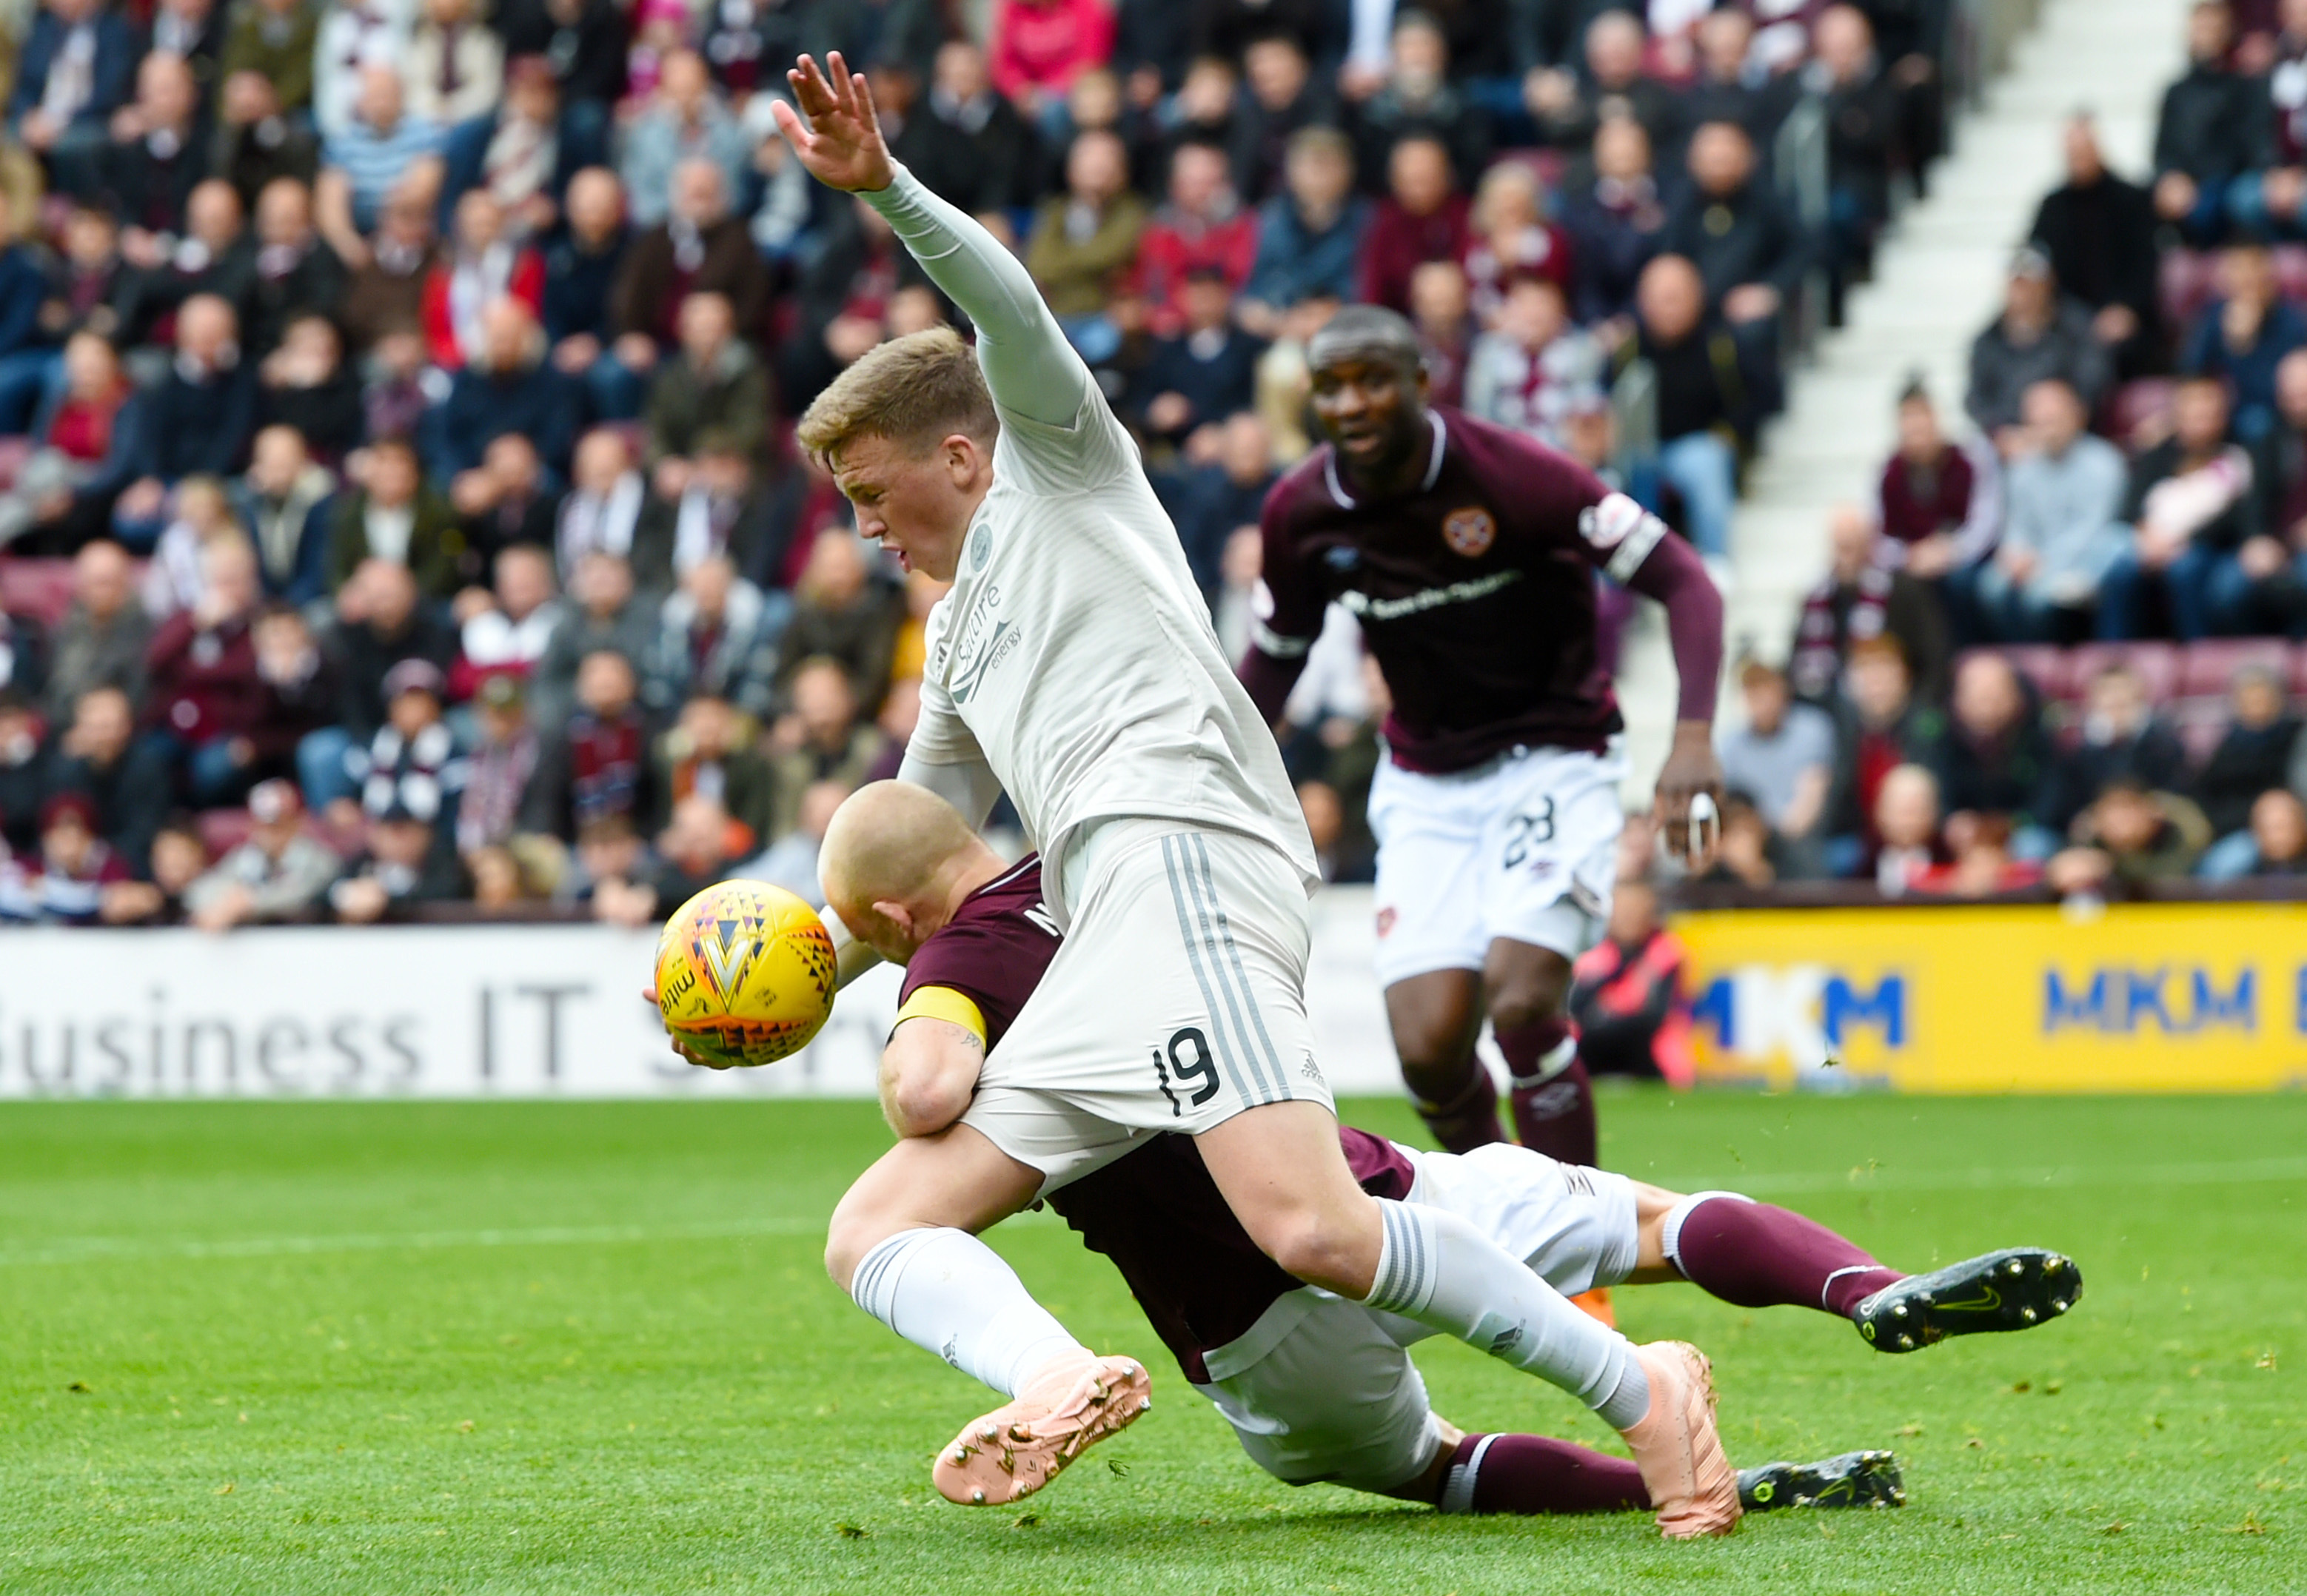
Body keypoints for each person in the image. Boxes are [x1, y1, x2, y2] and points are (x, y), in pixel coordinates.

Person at [757, 52, 1742, 1534]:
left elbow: (1009, 311)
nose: (865, 528)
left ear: (958, 455)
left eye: (872, 493)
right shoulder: (954, 633)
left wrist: (885, 191)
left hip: (1185, 854)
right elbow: (907, 829)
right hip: (1105, 929)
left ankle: (1640, 1388)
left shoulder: (1059, 473)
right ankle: (1048, 1377)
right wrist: (779, 972)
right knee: (880, 1221)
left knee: (1315, 1227)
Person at [797, 781, 2080, 1515]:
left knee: (1433, 1467)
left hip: (1247, 1331)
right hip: (1385, 1195)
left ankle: (1715, 1477)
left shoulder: (960, 960)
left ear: (900, 920)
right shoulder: (1099, 866)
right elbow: (937, 895)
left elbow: (926, 1091)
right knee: (1650, 1224)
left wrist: (903, 993)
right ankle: (1865, 1287)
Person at [1240, 299, 1727, 1198]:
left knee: (1520, 1001)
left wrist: (1690, 737)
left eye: (1372, 381)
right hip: (1424, 780)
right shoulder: (1301, 513)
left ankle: (1582, 1265)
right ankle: (1516, 1240)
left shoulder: (1515, 477)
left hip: (1555, 754)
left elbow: (1683, 579)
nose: (1350, 404)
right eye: (1331, 388)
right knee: (1427, 1051)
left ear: (1420, 384)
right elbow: (1271, 664)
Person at [1975, 378, 2128, 641]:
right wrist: (2016, 553)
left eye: (2055, 419)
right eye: (2039, 422)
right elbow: (2017, 524)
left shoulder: (2104, 462)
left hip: (2086, 558)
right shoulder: (2022, 469)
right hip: (2035, 559)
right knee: (1990, 587)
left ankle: (2053, 654)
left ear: (2077, 416)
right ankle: (2018, 656)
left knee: (2039, 596)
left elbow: (2093, 528)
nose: (2049, 430)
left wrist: (2043, 562)